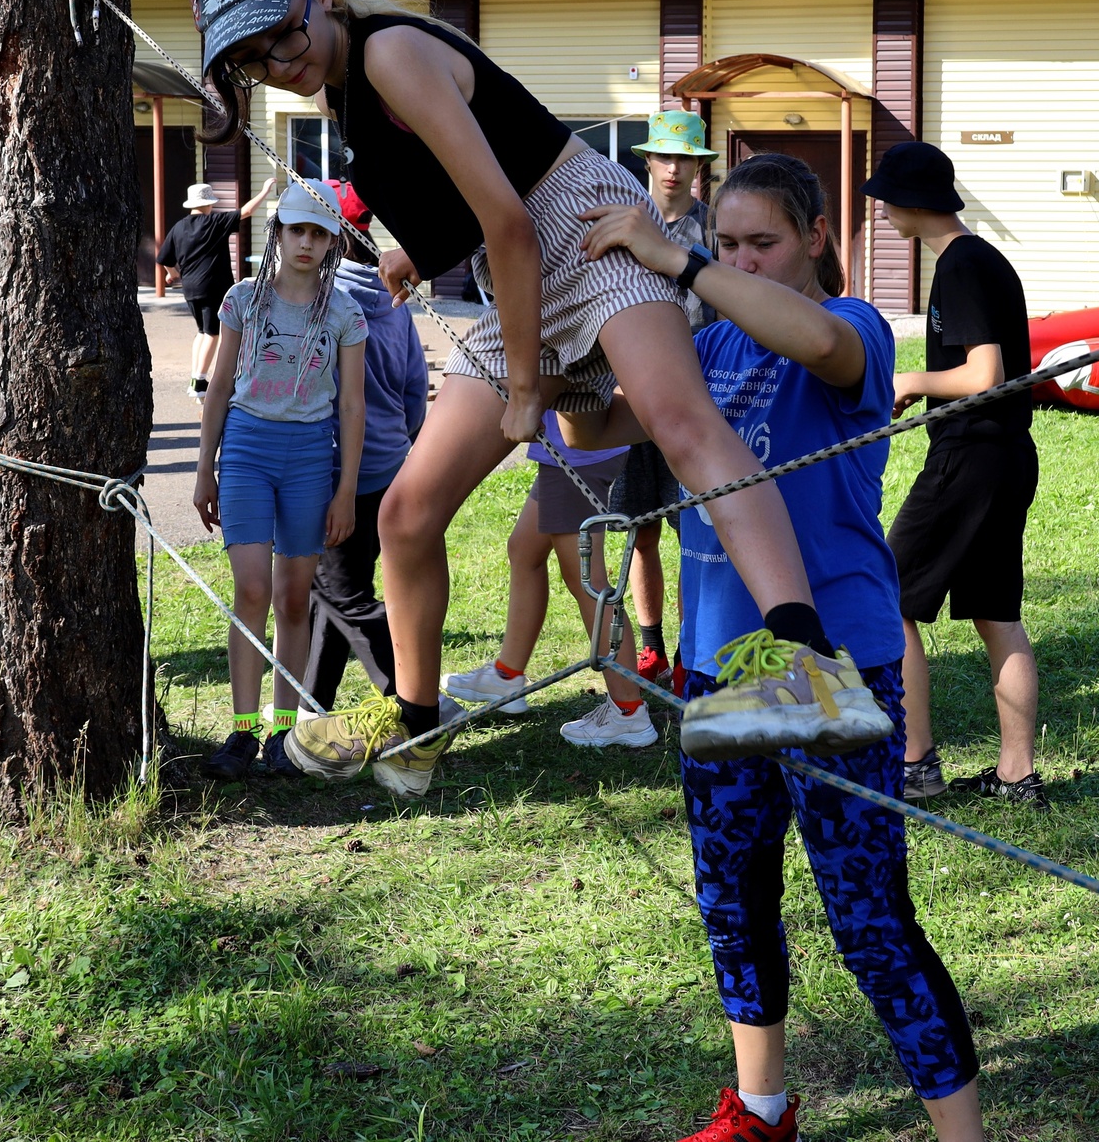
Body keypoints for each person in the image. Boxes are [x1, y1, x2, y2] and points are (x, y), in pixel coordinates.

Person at [176, 0, 885, 797]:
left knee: (683, 425)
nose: (278, 64)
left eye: (282, 37)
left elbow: (511, 216)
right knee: (406, 513)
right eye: (252, 60)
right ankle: (416, 720)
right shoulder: (343, 90)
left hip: (582, 228)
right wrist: (413, 255)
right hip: (512, 274)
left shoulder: (388, 50)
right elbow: (468, 211)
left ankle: (806, 665)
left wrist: (522, 386)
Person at [568, 154, 985, 1142]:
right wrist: (562, 337)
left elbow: (820, 346)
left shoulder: (858, 327)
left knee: (868, 921)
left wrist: (681, 261)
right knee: (735, 897)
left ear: (814, 237)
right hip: (720, 668)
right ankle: (761, 1111)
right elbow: (592, 429)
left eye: (764, 242)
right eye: (729, 242)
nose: (743, 258)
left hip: (829, 663)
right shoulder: (705, 346)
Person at [867, 142, 1046, 808]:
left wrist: (911, 380)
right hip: (1005, 455)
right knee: (997, 615)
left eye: (886, 197)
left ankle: (915, 763)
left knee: (889, 597)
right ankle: (1016, 776)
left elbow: (984, 374)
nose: (881, 208)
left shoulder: (963, 265)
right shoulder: (978, 259)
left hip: (970, 456)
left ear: (912, 202)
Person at [190, 178, 369, 781]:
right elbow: (219, 387)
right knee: (252, 590)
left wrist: (346, 490)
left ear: (333, 242)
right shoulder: (243, 299)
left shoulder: (345, 311)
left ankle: (283, 731)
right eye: (297, 231)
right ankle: (242, 731)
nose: (307, 243)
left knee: (294, 597)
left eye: (319, 233)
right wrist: (204, 468)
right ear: (279, 233)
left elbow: (352, 405)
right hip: (246, 448)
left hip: (311, 455)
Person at [443, 413, 657, 748]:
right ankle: (506, 675)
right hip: (567, 448)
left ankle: (628, 713)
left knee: (588, 584)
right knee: (524, 549)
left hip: (575, 450)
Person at [302, 187, 429, 711]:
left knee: (345, 594)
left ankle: (416, 703)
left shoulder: (319, 304)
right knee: (330, 589)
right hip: (389, 471)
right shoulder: (395, 300)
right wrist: (399, 444)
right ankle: (310, 705)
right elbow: (415, 391)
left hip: (337, 476)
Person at [611, 108, 720, 688]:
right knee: (640, 528)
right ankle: (650, 647)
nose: (674, 168)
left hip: (696, 400)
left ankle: (688, 650)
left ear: (699, 166)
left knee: (698, 534)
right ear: (648, 160)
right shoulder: (625, 222)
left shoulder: (715, 232)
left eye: (685, 158)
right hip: (631, 399)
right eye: (664, 156)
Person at [159, 174, 282, 400]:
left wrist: (172, 274)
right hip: (213, 286)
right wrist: (265, 191)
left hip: (190, 288)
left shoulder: (178, 228)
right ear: (209, 204)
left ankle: (195, 379)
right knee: (212, 333)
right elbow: (246, 211)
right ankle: (199, 382)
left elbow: (164, 258)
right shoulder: (214, 222)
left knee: (202, 332)